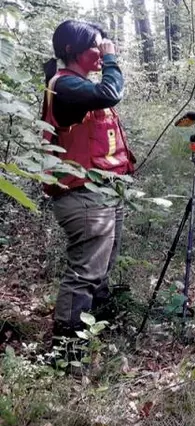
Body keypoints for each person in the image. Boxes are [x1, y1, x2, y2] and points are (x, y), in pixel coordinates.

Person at [41, 20, 135, 363]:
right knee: (85, 273)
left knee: (101, 267)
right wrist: (111, 62)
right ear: (72, 51)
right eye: (95, 46)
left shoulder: (80, 85)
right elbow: (110, 93)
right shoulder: (65, 86)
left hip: (104, 192)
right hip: (83, 196)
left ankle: (97, 330)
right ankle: (68, 351)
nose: (101, 51)